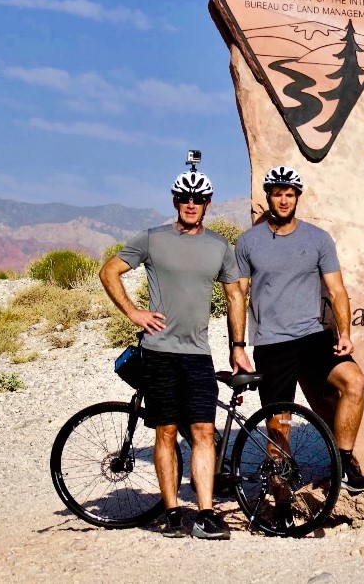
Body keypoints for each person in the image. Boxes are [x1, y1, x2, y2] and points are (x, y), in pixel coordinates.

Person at [100, 168, 252, 539]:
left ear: (207, 205)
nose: (191, 204)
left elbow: (235, 296)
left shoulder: (218, 247)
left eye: (198, 199)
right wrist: (133, 312)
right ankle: (171, 511)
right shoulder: (152, 239)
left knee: (202, 429)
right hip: (159, 352)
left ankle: (206, 512)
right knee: (166, 431)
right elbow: (109, 272)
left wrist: (237, 347)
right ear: (175, 202)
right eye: (185, 198)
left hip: (198, 354)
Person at [234, 165, 364, 495]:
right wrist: (237, 345)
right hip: (271, 343)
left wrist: (345, 334)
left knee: (354, 382)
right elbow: (236, 294)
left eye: (290, 194)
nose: (284, 200)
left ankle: (343, 464)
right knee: (278, 424)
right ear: (268, 197)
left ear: (298, 197)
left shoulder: (317, 238)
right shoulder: (248, 242)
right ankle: (280, 498)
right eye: (278, 194)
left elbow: (337, 291)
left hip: (312, 337)